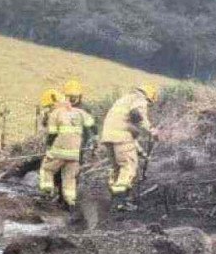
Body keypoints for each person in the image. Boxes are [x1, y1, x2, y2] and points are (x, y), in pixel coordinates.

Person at [38, 80, 96, 208]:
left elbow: (52, 133)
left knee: (57, 172)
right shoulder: (74, 110)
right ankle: (67, 200)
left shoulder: (78, 109)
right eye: (69, 96)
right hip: (75, 149)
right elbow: (91, 126)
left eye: (74, 97)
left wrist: (49, 147)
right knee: (68, 175)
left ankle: (58, 198)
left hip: (71, 148)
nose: (72, 99)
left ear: (80, 96)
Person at [100, 83, 159, 206]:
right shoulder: (139, 99)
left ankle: (113, 198)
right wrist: (151, 129)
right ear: (149, 96)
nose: (148, 106)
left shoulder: (123, 100)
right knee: (128, 168)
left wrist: (141, 152)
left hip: (108, 137)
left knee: (117, 168)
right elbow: (137, 113)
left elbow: (125, 129)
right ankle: (120, 203)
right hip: (121, 138)